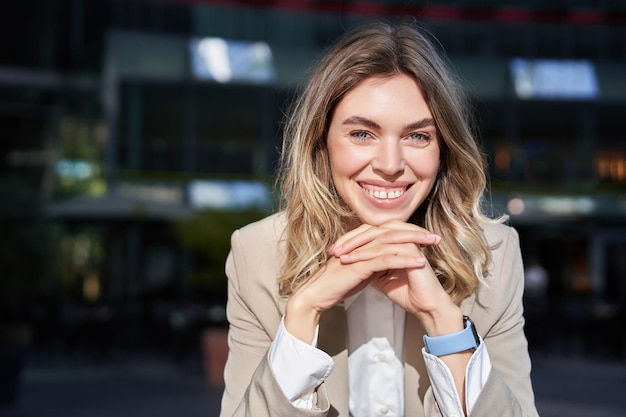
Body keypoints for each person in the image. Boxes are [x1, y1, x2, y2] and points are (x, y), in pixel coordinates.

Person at [219, 21, 538, 417]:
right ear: (322, 143)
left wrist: (444, 320)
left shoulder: (493, 254)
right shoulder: (258, 254)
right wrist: (304, 311)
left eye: (417, 136)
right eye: (362, 134)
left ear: (444, 150)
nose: (390, 165)